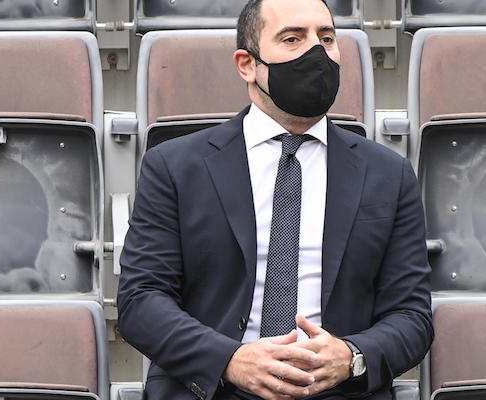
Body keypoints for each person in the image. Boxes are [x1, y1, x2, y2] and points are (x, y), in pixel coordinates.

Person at [116, 0, 433, 399]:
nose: (316, 53)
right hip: (214, 388)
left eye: (327, 38)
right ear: (247, 64)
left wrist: (352, 356)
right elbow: (140, 301)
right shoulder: (175, 167)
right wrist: (230, 360)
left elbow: (413, 316)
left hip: (339, 391)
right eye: (292, 38)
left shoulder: (388, 173)